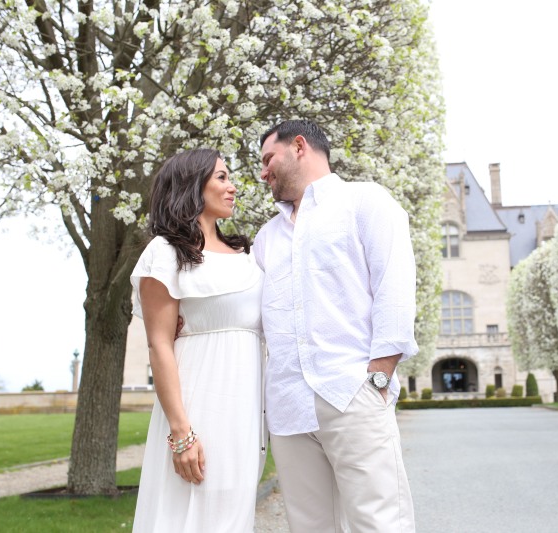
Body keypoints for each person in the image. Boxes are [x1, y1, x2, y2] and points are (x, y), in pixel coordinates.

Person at [254, 119, 418, 532]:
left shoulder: (364, 202)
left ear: (299, 146)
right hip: (289, 409)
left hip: (352, 392)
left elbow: (394, 290)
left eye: (267, 159)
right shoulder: (265, 239)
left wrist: (378, 379)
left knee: (381, 523)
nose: (262, 172)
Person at [131, 149, 266, 532]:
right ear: (192, 184)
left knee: (232, 514)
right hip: (197, 408)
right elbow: (159, 345)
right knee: (186, 515)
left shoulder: (249, 256)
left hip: (245, 412)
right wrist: (181, 433)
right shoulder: (165, 253)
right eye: (222, 177)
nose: (233, 187)